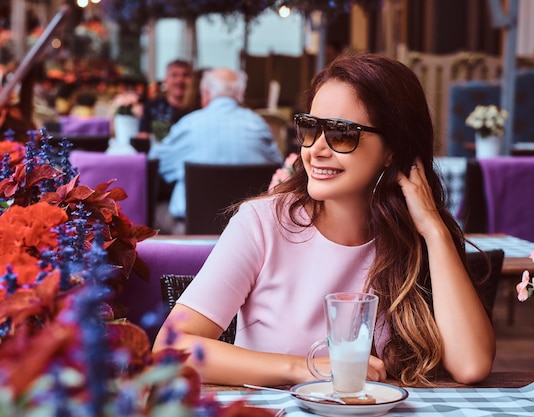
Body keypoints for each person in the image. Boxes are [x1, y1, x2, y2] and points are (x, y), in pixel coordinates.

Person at [153, 54, 495, 387]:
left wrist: (434, 231)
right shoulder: (262, 224)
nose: (315, 149)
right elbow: (170, 350)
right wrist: (304, 368)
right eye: (309, 128)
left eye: (340, 133)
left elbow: (471, 365)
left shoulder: (415, 238)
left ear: (392, 150)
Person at [149, 67, 284, 234]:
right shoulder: (259, 125)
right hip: (249, 231)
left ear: (205, 93)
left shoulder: (189, 124)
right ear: (241, 94)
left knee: (155, 211)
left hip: (192, 232)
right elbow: (280, 170)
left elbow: (156, 166)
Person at [136, 59, 193, 142]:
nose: (180, 80)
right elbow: (143, 137)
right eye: (174, 75)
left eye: (185, 75)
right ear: (165, 80)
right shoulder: (151, 107)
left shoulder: (198, 109)